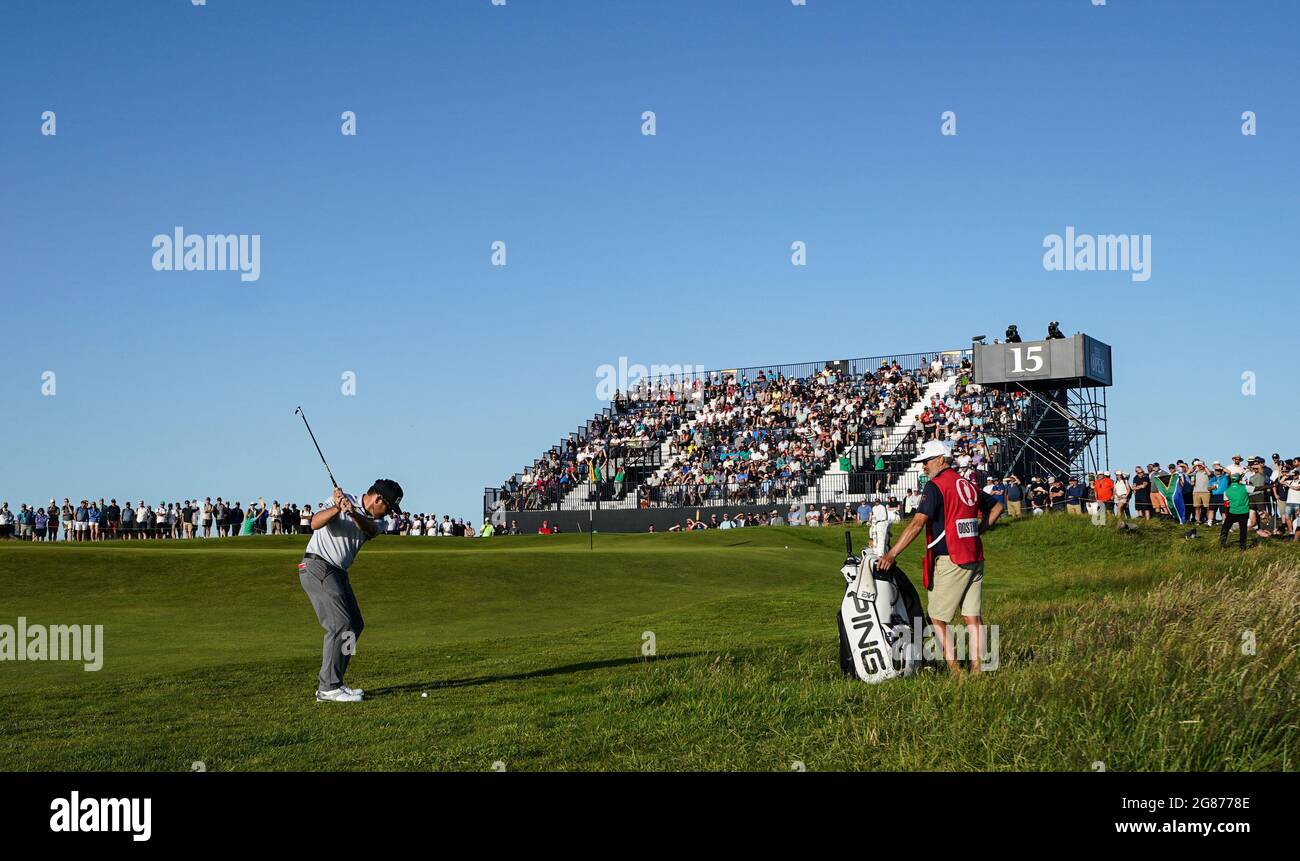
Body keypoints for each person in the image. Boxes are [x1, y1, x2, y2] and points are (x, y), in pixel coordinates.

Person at [878, 439, 1002, 674]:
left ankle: (956, 673)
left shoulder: (936, 486)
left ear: (940, 460)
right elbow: (996, 508)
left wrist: (892, 553)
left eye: (926, 461)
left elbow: (917, 523)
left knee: (937, 619)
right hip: (974, 555)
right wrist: (979, 530)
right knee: (972, 617)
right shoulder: (965, 483)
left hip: (951, 557)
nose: (923, 466)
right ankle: (978, 670)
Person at [300, 478, 404, 703]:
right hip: (318, 565)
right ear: (378, 499)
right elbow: (315, 523)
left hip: (338, 572)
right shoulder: (340, 499)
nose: (388, 513)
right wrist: (338, 507)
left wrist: (353, 513)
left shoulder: (379, 522)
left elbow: (369, 529)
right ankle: (327, 688)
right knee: (340, 624)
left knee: (355, 625)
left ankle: (336, 682)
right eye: (388, 506)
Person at [1221, 474, 1250, 550]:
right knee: (1243, 530)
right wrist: (1272, 485)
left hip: (1232, 512)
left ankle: (1222, 544)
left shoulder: (1226, 491)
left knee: (1225, 528)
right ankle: (1242, 547)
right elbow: (1259, 488)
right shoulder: (1245, 487)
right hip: (1244, 512)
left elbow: (1226, 505)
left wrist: (1227, 515)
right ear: (1239, 480)